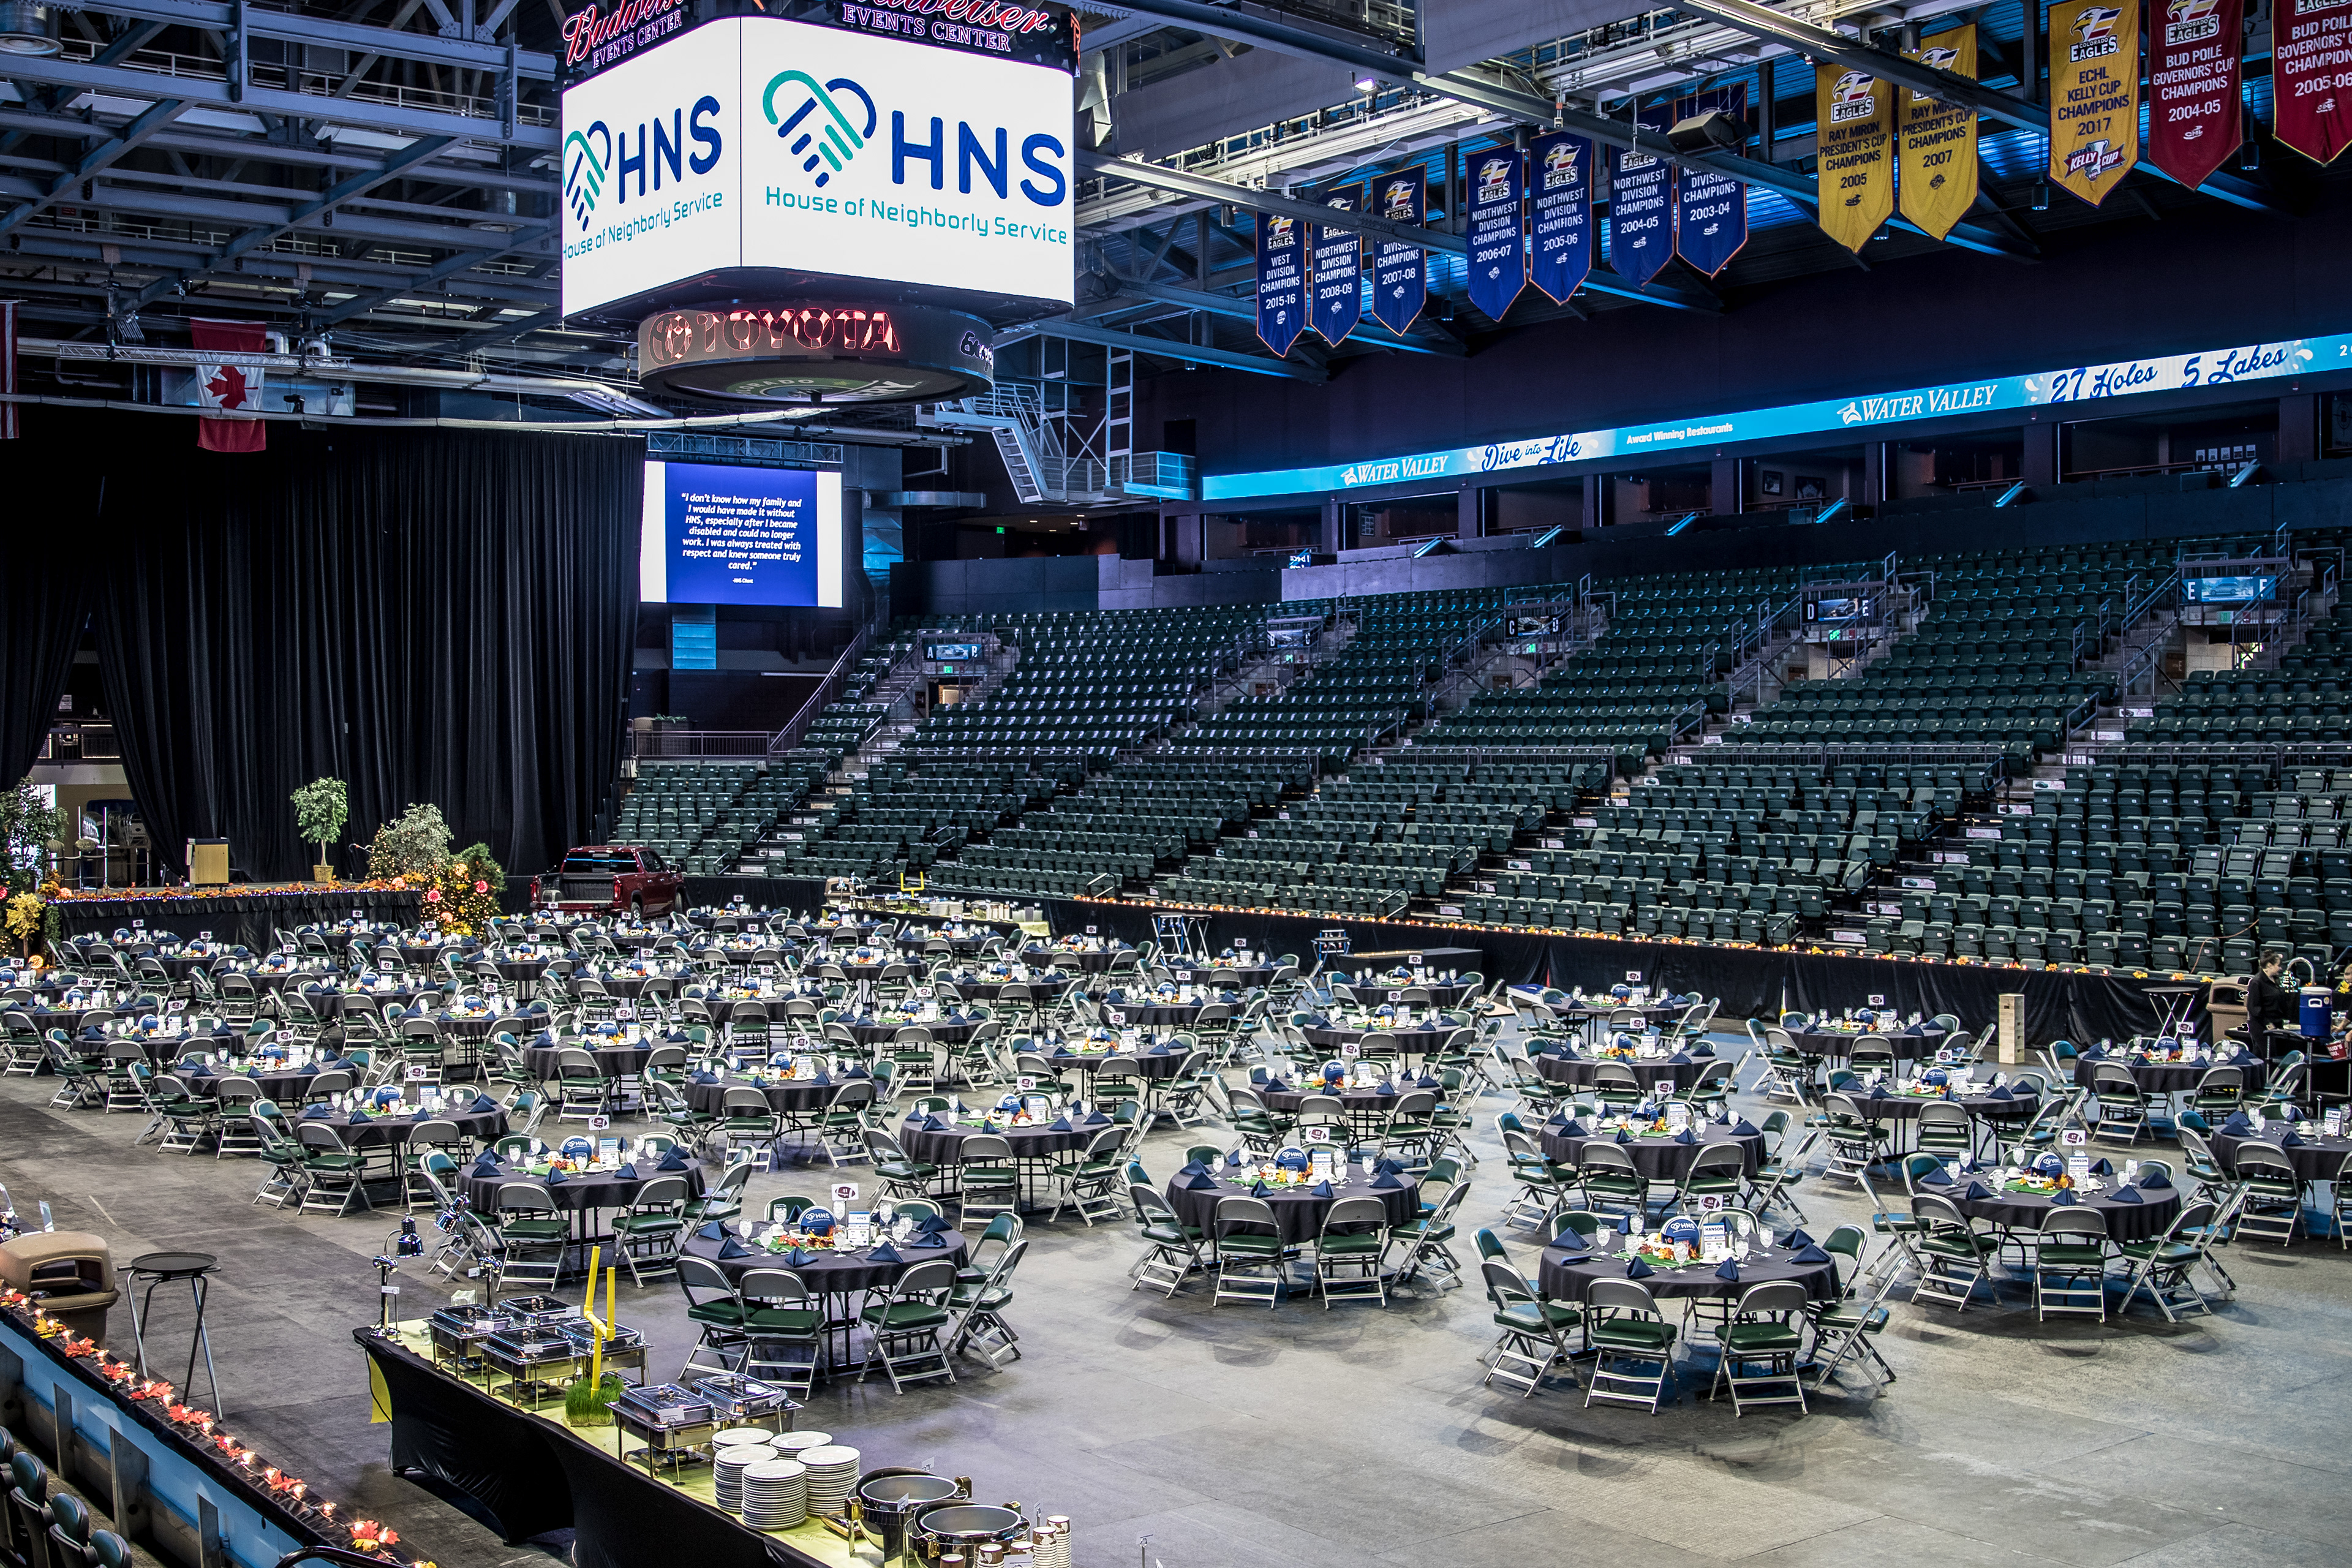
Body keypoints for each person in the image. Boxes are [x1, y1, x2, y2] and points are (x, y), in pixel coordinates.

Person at [2244, 949, 2299, 1061]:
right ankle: (2269, 1077)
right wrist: (2267, 1023)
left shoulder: (2276, 980)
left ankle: (2257, 1076)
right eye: (2278, 965)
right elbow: (2253, 1007)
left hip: (2276, 1023)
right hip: (2261, 1025)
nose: (2280, 968)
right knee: (2270, 1055)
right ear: (2269, 965)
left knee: (2259, 1056)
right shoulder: (2257, 982)